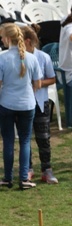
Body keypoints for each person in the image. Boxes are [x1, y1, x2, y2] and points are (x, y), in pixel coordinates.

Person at [0, 23, 42, 191]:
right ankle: (24, 177)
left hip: (7, 103)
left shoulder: (2, 57)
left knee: (8, 141)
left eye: (2, 36)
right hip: (27, 104)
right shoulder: (32, 58)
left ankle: (7, 177)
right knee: (25, 141)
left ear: (8, 38)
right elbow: (38, 83)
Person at [22, 25, 58, 185]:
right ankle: (27, 169)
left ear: (28, 41)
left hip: (40, 102)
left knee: (43, 138)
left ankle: (47, 169)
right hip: (23, 103)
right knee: (25, 138)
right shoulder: (17, 57)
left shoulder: (43, 57)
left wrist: (38, 83)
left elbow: (53, 78)